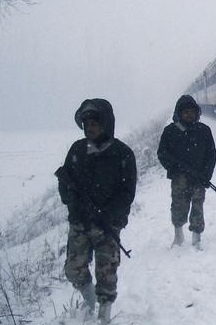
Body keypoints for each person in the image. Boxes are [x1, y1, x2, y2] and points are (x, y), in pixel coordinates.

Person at [55, 98, 137, 324]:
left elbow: (127, 192)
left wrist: (108, 215)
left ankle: (104, 314)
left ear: (106, 123)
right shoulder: (77, 150)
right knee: (74, 269)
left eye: (94, 123)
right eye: (86, 123)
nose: (89, 128)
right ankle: (89, 301)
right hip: (80, 221)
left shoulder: (123, 154)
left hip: (107, 225)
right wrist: (71, 201)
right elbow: (65, 182)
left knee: (106, 272)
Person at [157, 95, 216, 250]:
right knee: (178, 205)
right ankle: (178, 234)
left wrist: (206, 174)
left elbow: (212, 154)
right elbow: (162, 153)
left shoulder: (204, 131)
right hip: (179, 178)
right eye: (185, 112)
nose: (189, 115)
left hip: (199, 177)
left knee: (198, 206)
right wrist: (174, 169)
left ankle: (197, 237)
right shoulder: (170, 131)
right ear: (179, 113)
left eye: (191, 111)